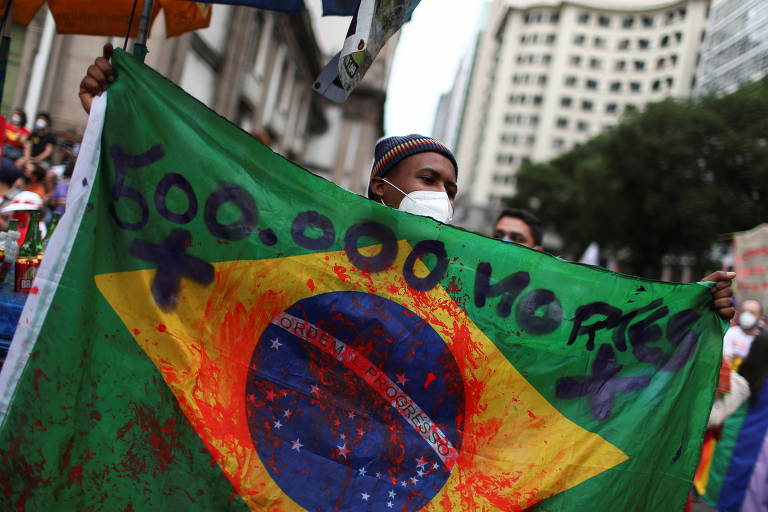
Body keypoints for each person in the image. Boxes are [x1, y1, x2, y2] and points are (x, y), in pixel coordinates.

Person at [77, 44, 736, 322]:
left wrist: (687, 307)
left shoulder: (466, 280)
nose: (441, 198)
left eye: (450, 187)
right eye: (427, 179)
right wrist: (111, 116)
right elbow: (187, 222)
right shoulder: (306, 241)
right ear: (380, 186)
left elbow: (570, 322)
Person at [723, 299, 763, 365]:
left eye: (752, 313)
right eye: (744, 311)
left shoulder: (762, 340)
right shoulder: (729, 333)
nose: (746, 315)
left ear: (760, 317)